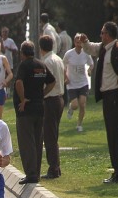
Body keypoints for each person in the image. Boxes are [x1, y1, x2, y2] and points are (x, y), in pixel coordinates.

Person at [81, 22, 118, 184]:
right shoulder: (104, 48)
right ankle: (116, 172)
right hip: (107, 97)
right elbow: (91, 48)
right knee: (111, 136)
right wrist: (84, 41)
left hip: (115, 97)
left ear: (109, 34)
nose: (101, 35)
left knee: (116, 135)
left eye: (103, 33)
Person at [14, 41, 55, 184]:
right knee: (38, 142)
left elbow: (19, 82)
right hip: (40, 108)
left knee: (27, 142)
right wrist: (42, 94)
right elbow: (52, 82)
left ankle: (30, 174)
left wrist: (23, 99)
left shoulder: (24, 65)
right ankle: (36, 173)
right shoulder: (41, 65)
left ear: (22, 53)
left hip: (26, 111)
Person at [39, 35, 66, 180]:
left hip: (50, 99)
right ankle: (56, 166)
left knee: (49, 136)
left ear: (41, 47)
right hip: (60, 98)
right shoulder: (58, 59)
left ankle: (53, 168)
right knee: (53, 134)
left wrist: (41, 94)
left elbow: (48, 82)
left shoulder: (47, 62)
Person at [64, 34, 94, 132]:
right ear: (74, 42)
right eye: (77, 42)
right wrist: (65, 78)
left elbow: (91, 64)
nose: (79, 44)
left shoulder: (86, 53)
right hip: (71, 83)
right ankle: (71, 108)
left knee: (82, 103)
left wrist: (89, 70)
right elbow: (63, 67)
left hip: (83, 83)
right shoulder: (69, 54)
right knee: (75, 105)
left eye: (80, 42)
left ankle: (79, 124)